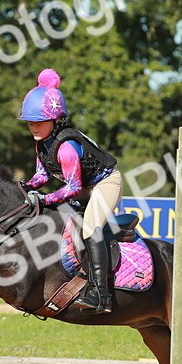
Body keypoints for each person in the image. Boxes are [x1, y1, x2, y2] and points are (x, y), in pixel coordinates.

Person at [18, 68, 122, 314]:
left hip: (105, 184)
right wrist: (23, 187)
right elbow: (42, 176)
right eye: (30, 121)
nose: (33, 126)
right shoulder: (41, 144)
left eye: (39, 121)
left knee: (90, 227)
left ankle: (101, 293)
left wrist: (44, 198)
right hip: (84, 188)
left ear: (55, 120)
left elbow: (73, 188)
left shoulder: (66, 148)